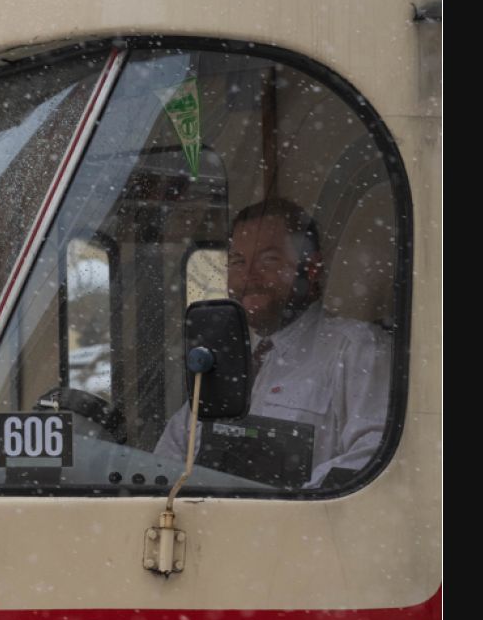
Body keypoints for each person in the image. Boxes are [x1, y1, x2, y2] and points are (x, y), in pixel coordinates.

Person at [156, 198, 393, 489]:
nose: (248, 277)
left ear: (312, 267)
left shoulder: (357, 349)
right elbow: (171, 456)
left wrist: (277, 511)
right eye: (238, 261)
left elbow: (373, 460)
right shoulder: (225, 356)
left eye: (268, 260)